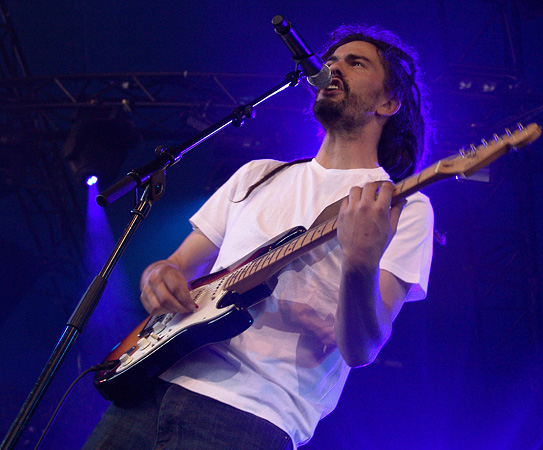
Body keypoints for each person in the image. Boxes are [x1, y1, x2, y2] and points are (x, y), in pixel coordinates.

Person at [83, 24, 434, 450]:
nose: (334, 68)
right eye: (330, 61)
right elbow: (177, 264)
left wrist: (360, 262)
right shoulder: (258, 174)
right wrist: (158, 275)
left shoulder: (399, 205)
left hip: (250, 416)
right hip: (149, 387)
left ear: (389, 102)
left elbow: (363, 348)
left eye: (355, 63)